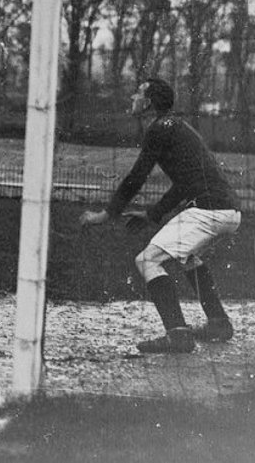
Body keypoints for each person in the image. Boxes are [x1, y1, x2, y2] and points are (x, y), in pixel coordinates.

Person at [80, 77, 241, 354]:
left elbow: (136, 176)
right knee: (188, 256)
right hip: (228, 210)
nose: (133, 97)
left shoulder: (158, 129)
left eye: (138, 93)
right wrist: (153, 213)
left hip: (209, 211)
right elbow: (184, 184)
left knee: (147, 260)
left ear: (149, 102)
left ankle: (177, 335)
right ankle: (218, 322)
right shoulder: (176, 126)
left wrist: (107, 214)